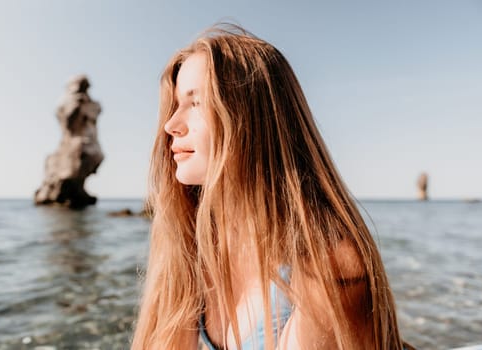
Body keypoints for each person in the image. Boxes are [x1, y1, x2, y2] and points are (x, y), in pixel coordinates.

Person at [131, 24, 412, 350]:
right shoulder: (191, 240)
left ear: (251, 117)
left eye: (196, 103)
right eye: (176, 104)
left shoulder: (327, 260)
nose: (170, 125)